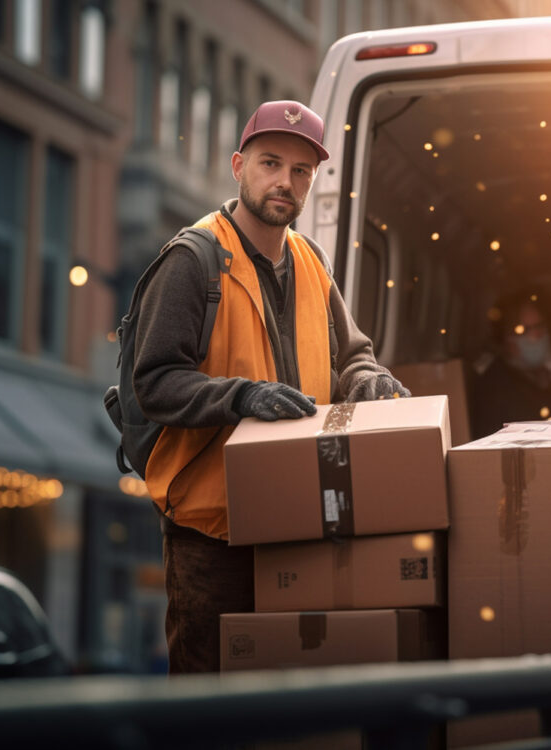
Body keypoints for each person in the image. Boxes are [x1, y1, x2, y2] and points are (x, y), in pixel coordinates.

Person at [133, 100, 409, 673]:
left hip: (301, 520)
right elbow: (154, 381)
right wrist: (240, 397)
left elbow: (352, 354)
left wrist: (369, 381)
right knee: (210, 703)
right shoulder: (192, 259)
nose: (285, 181)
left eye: (301, 171)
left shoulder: (311, 261)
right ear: (238, 165)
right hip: (212, 534)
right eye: (270, 163)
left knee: (291, 703)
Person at [471, 292, 551, 439]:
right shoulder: (493, 388)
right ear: (504, 339)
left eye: (539, 326)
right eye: (522, 330)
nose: (535, 335)